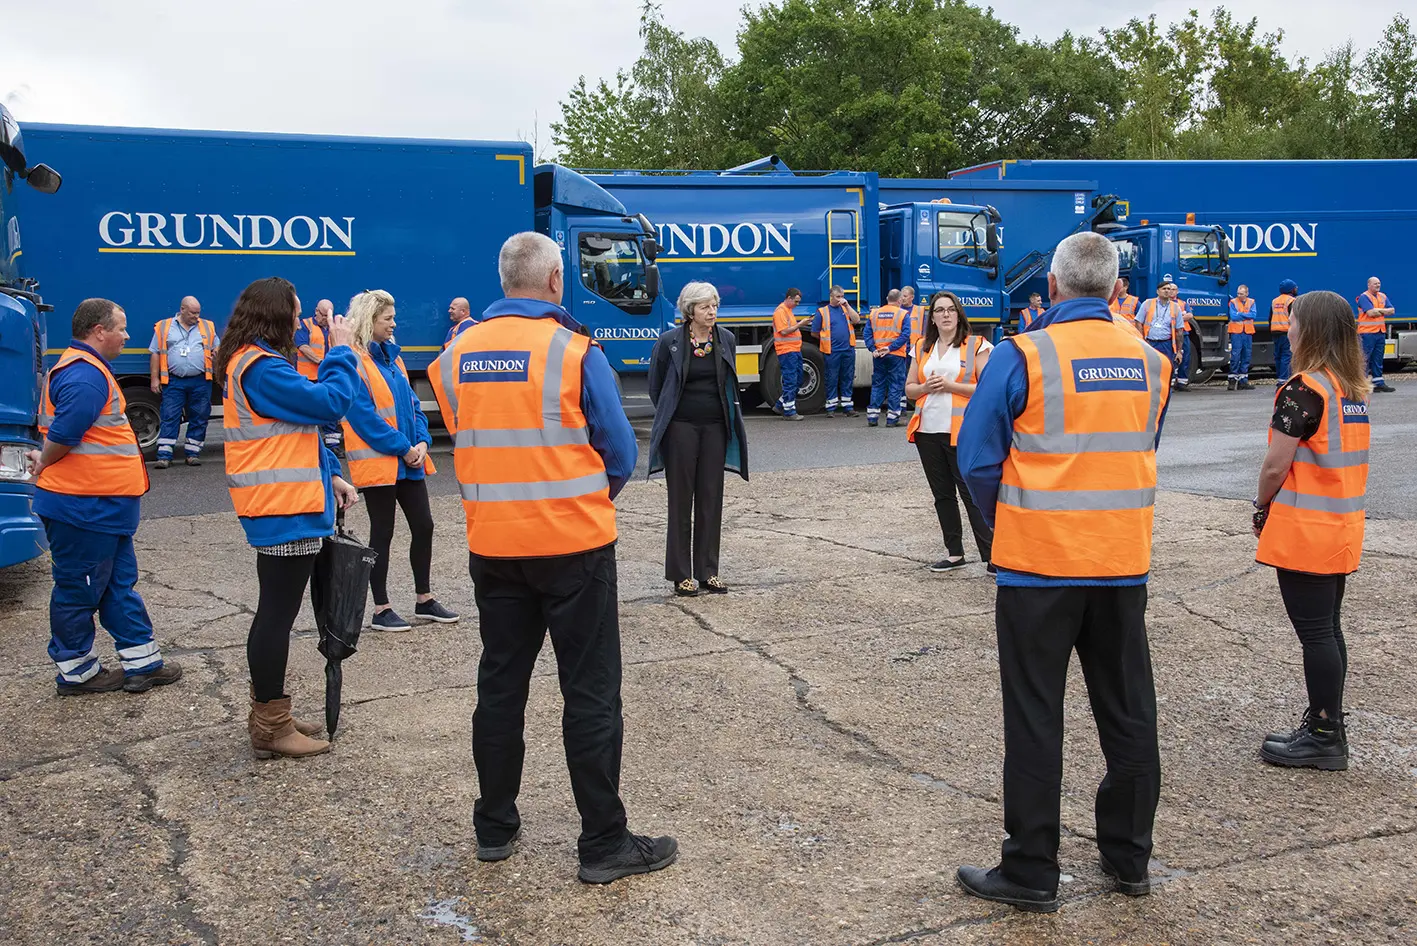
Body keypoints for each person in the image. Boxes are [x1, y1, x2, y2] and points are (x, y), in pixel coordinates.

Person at [428, 231, 676, 885]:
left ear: (504, 280)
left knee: (500, 688)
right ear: (555, 281)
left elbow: (469, 437)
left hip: (494, 545)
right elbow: (619, 451)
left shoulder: (454, 356)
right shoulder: (572, 350)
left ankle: (494, 827)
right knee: (590, 693)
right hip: (572, 546)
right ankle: (602, 843)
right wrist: (583, 496)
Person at [956, 232, 1172, 912]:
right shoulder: (1149, 359)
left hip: (1037, 567)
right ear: (1113, 291)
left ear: (1050, 287)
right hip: (1119, 561)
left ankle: (1029, 871)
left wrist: (1009, 523)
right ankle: (1128, 856)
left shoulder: (1023, 354)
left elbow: (976, 460)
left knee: (1033, 718)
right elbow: (1140, 445)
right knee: (1128, 712)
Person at [218, 277, 360, 760]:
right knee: (276, 617)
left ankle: (270, 713)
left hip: (285, 505)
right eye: (296, 313)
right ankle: (271, 727)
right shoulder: (262, 367)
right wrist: (341, 352)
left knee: (275, 613)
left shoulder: (252, 363)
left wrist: (331, 476)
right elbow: (328, 404)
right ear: (275, 315)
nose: (301, 322)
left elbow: (293, 431)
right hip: (284, 509)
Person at [28, 299, 183, 696]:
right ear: (100, 330)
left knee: (117, 584)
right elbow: (64, 435)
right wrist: (43, 461)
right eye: (122, 327)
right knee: (79, 588)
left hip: (101, 505)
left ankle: (141, 664)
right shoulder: (84, 376)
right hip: (83, 506)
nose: (127, 336)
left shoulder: (88, 371)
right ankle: (77, 673)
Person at [1253, 290, 1371, 771]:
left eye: (1293, 320)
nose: (1288, 327)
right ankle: (1328, 725)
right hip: (1340, 525)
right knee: (1328, 629)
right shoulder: (1350, 389)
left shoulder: (1304, 388)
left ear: (1313, 330)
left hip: (1306, 529)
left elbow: (1275, 465)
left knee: (1317, 633)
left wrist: (1261, 506)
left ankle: (1324, 734)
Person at [342, 289, 459, 632]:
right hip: (382, 464)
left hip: (408, 460)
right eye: (387, 318)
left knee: (424, 526)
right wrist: (405, 447)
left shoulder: (393, 358)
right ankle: (381, 608)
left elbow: (411, 405)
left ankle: (424, 599)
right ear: (370, 321)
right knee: (383, 533)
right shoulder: (355, 360)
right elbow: (363, 418)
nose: (394, 324)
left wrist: (422, 440)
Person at [647, 281, 749, 596]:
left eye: (715, 306)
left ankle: (708, 571)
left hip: (716, 427)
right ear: (690, 310)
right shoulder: (669, 342)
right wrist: (673, 416)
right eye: (705, 306)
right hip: (681, 428)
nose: (712, 312)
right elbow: (657, 387)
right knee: (681, 500)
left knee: (710, 498)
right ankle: (681, 574)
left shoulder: (726, 339)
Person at [904, 290, 993, 571]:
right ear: (932, 317)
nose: (945, 315)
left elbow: (988, 389)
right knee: (942, 494)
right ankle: (955, 553)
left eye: (950, 310)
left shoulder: (976, 345)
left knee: (971, 495)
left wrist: (951, 386)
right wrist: (925, 388)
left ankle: (992, 557)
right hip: (927, 431)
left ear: (959, 315)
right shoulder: (920, 347)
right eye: (939, 310)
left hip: (962, 432)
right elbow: (909, 389)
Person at [148, 295, 217, 468]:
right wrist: (154, 378)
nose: (196, 316)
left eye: (198, 313)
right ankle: (164, 455)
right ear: (182, 310)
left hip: (201, 380)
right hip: (174, 381)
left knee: (200, 416)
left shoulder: (207, 326)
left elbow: (217, 346)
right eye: (193, 313)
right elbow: (155, 353)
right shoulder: (165, 326)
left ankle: (192, 453)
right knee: (169, 415)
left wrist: (217, 351)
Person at [295, 299, 344, 452]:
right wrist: (321, 361)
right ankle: (306, 446)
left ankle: (333, 445)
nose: (326, 319)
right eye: (323, 315)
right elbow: (302, 346)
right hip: (308, 376)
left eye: (328, 315)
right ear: (316, 311)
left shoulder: (332, 328)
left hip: (326, 376)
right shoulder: (304, 325)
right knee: (307, 410)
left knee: (330, 409)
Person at [809, 285, 860, 416]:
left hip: (848, 349)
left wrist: (848, 306)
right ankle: (830, 408)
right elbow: (814, 332)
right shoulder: (822, 312)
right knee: (831, 378)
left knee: (847, 377)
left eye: (842, 296)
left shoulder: (845, 309)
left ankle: (848, 407)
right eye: (838, 297)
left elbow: (857, 320)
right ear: (831, 296)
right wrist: (827, 339)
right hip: (832, 351)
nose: (840, 299)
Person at [863, 288, 911, 427]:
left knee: (878, 384)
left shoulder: (874, 314)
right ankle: (892, 419)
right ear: (899, 300)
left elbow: (867, 334)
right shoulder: (902, 314)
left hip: (879, 355)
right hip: (895, 354)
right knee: (895, 385)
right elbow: (905, 335)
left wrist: (873, 349)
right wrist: (890, 348)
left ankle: (872, 417)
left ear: (887, 298)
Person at [1136, 276, 1185, 384]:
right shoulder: (1147, 303)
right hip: (1150, 343)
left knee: (1167, 370)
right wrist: (1142, 340)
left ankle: (1166, 391)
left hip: (1166, 344)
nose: (1167, 291)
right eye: (1164, 289)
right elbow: (1138, 322)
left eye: (1169, 289)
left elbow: (1179, 331)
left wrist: (1179, 351)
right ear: (1157, 291)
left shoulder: (1176, 307)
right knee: (1150, 369)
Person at [770, 287, 808, 420]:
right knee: (791, 380)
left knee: (798, 379)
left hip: (793, 350)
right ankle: (789, 412)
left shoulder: (788, 311)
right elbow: (784, 331)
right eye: (796, 301)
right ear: (789, 298)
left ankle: (781, 404)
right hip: (786, 351)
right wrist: (800, 324)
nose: (797, 304)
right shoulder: (781, 312)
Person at [1355, 277, 1396, 393]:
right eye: (1375, 284)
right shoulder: (1364, 297)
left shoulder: (1382, 296)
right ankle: (1362, 384)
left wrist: (1378, 310)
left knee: (1378, 359)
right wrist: (1383, 310)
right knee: (1365, 359)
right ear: (1369, 285)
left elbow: (1392, 310)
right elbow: (1370, 313)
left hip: (1379, 332)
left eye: (1379, 283)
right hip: (1367, 333)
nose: (1378, 285)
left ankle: (1378, 383)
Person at [899, 285, 926, 414]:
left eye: (905, 296)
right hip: (901, 349)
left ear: (912, 297)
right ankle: (902, 405)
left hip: (916, 349)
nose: (902, 299)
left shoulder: (920, 311)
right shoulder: (897, 310)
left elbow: (925, 329)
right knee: (901, 377)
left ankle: (918, 404)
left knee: (918, 377)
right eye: (901, 296)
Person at [1227, 284, 1258, 391]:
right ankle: (1232, 381)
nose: (1239, 295)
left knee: (1246, 356)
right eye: (1238, 293)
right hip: (1236, 332)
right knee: (1235, 356)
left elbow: (1253, 315)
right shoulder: (1233, 302)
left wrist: (1240, 314)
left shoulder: (1252, 302)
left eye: (1241, 293)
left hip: (1247, 332)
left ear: (1246, 294)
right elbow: (1233, 316)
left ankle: (1243, 381)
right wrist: (1245, 314)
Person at [1270, 280, 1298, 384]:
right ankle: (1283, 381)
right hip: (1286, 332)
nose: (1296, 289)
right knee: (1287, 356)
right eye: (1295, 287)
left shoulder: (1275, 301)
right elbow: (1294, 318)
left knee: (1278, 356)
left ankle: (1280, 378)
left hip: (1275, 332)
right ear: (1291, 289)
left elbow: (1270, 317)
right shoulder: (1292, 301)